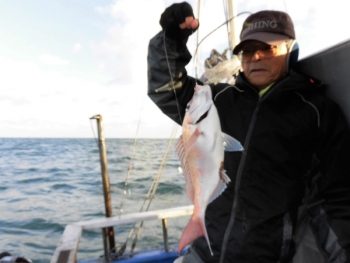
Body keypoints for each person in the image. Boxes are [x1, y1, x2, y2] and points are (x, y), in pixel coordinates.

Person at [147, 2, 350, 263]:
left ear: (290, 49)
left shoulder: (316, 111)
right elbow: (166, 87)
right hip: (205, 251)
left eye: (267, 49)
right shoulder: (217, 100)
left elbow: (335, 199)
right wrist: (172, 38)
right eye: (248, 51)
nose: (255, 57)